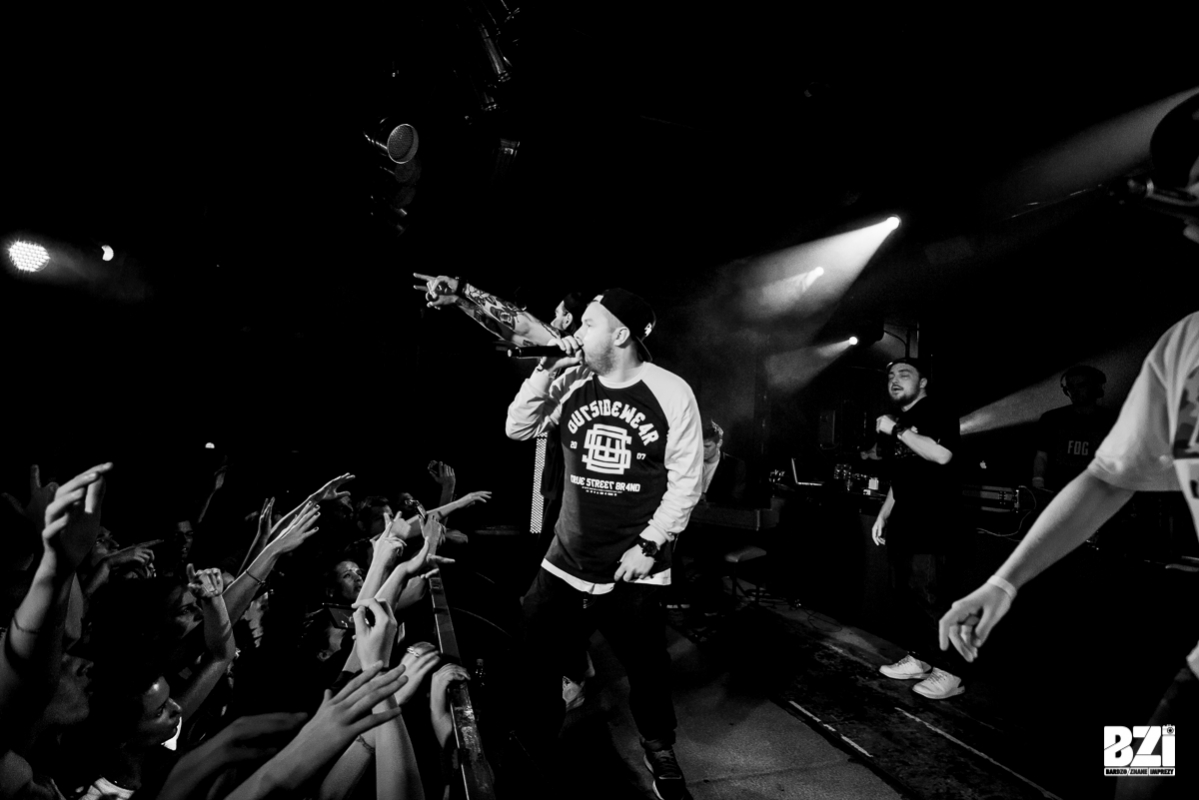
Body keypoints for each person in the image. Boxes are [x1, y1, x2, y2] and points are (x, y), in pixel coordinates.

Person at [940, 91, 1199, 800]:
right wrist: (1004, 580)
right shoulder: (1184, 345)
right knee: (1136, 782)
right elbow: (1108, 477)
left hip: (1138, 563)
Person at [506, 288, 703, 800]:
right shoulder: (571, 380)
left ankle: (658, 745)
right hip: (566, 558)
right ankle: (533, 745)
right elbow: (517, 428)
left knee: (648, 668)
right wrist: (545, 370)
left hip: (633, 562)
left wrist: (650, 544)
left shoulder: (670, 391)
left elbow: (686, 482)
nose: (576, 333)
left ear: (621, 334)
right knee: (535, 657)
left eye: (588, 324)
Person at [871, 357, 968, 700]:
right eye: (890, 376)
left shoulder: (937, 412)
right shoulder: (900, 420)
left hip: (934, 522)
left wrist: (897, 430)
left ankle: (951, 673)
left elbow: (941, 456)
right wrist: (884, 513)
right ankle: (920, 659)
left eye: (904, 374)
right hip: (905, 521)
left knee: (930, 596)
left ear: (923, 382)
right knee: (906, 596)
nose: (894, 380)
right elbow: (902, 477)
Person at [1032, 365, 1117, 493]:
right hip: (1057, 492)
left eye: (1081, 385)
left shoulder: (1112, 421)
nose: (1075, 391)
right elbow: (1042, 456)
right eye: (1071, 386)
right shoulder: (1051, 419)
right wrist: (1038, 485)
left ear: (1096, 387)